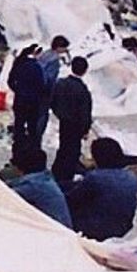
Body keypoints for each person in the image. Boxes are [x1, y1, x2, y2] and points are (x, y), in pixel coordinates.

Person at [63, 136, 137, 241]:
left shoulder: (95, 177)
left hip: (94, 229)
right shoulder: (132, 177)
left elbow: (72, 201)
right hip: (122, 228)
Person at [5, 43, 50, 173]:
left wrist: (18, 90)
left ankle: (17, 152)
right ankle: (30, 152)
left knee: (19, 126)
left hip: (20, 100)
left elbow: (10, 81)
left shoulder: (19, 63)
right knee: (32, 129)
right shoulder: (36, 67)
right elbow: (42, 84)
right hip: (33, 102)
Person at [50, 54, 94, 182]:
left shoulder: (61, 84)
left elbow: (53, 101)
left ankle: (58, 171)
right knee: (73, 150)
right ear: (85, 71)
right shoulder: (82, 90)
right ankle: (66, 175)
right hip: (76, 125)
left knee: (64, 146)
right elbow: (85, 112)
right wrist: (86, 129)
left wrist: (59, 114)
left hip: (64, 121)